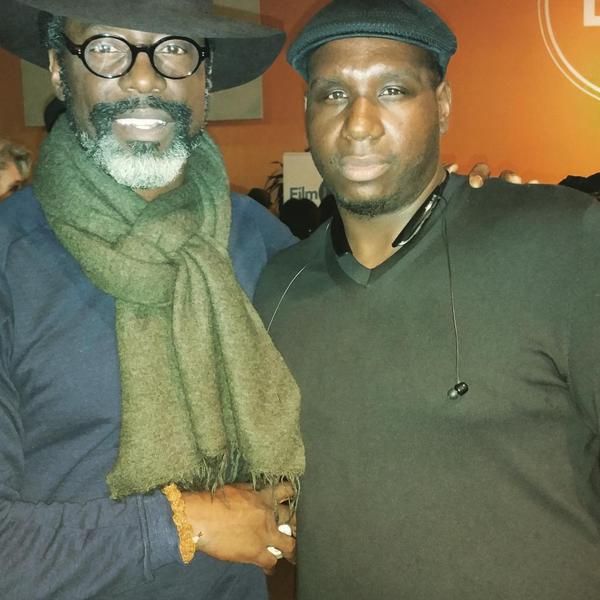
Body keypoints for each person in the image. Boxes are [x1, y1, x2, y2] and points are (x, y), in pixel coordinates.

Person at [254, 1, 600, 598]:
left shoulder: (559, 242)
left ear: (441, 105)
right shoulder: (277, 285)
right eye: (333, 94)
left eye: (392, 89)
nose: (359, 123)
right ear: (308, 111)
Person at [0, 0, 304, 598]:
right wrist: (184, 523)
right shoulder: (10, 261)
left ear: (205, 76)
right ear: (59, 70)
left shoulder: (262, 243)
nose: (145, 78)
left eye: (175, 48)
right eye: (106, 48)